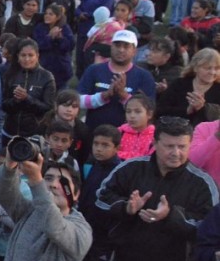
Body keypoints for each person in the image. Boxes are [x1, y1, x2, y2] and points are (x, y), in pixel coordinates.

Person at [96, 117, 219, 261]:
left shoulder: (202, 183)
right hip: (124, 254)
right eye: (169, 146)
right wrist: (126, 207)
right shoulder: (130, 168)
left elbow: (208, 225)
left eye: (182, 146)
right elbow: (101, 198)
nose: (176, 152)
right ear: (154, 143)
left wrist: (171, 216)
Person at [0, 148, 91, 261]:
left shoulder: (82, 229)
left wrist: (36, 180)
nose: (53, 185)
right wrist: (10, 165)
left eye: (63, 181)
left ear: (76, 194)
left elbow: (54, 227)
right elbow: (5, 194)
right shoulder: (29, 211)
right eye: (48, 178)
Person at [78, 30, 156, 132]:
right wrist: (104, 96)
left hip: (129, 136)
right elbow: (79, 101)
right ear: (111, 47)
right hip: (94, 133)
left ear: (134, 51)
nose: (121, 50)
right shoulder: (94, 70)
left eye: (126, 46)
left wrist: (123, 95)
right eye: (117, 45)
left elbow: (149, 110)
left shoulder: (144, 76)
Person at [77, 124, 122, 261]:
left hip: (103, 236)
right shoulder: (94, 165)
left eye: (105, 145)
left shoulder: (119, 173)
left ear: (117, 147)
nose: (98, 149)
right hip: (85, 227)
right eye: (96, 144)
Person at [1, 39, 56, 146]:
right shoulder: (10, 75)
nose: (27, 59)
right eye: (23, 55)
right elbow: (3, 104)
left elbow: (48, 108)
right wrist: (15, 100)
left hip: (34, 134)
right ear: (18, 56)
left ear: (37, 56)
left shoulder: (46, 77)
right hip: (9, 132)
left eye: (31, 55)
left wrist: (27, 98)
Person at [158, 47, 220, 124]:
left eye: (217, 68)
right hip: (176, 132)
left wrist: (202, 108)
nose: (212, 72)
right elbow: (160, 110)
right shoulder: (179, 84)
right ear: (195, 68)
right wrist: (186, 110)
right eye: (207, 68)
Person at [34, 4, 75, 89]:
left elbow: (69, 46)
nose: (47, 16)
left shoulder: (65, 28)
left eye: (51, 14)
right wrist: (49, 37)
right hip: (44, 66)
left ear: (58, 17)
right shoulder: (40, 28)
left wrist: (60, 38)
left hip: (61, 68)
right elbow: (38, 45)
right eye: (46, 13)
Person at [118, 94, 156, 160]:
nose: (132, 116)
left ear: (149, 114)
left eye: (137, 112)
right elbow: (111, 153)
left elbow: (151, 158)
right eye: (128, 111)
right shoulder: (119, 132)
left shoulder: (155, 136)